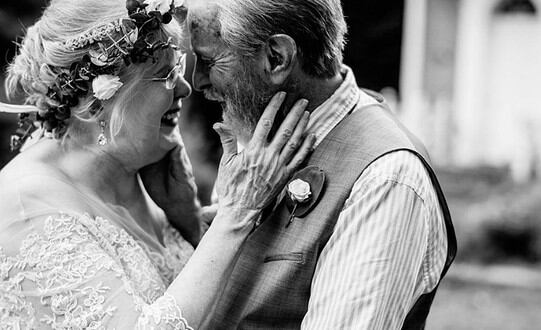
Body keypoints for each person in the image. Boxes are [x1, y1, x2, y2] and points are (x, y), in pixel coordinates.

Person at [0, 0, 315, 328]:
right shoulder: (28, 209)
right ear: (96, 106)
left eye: (178, 67)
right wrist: (235, 216)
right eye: (165, 75)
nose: (185, 87)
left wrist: (189, 222)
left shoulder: (145, 168)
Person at [175, 0, 458, 328]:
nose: (197, 81)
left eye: (209, 60)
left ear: (276, 57)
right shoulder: (258, 138)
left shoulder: (386, 178)